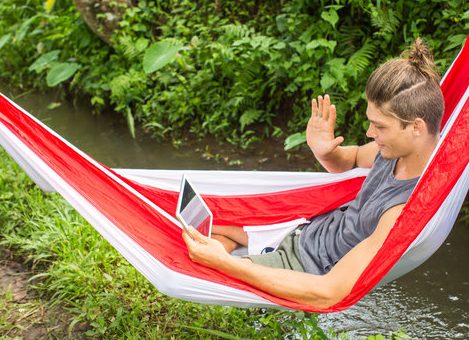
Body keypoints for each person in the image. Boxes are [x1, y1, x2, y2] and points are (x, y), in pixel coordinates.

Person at [182, 38, 444, 309]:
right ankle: (228, 243)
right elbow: (352, 158)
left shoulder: (402, 211)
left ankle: (231, 250)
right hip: (303, 229)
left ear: (416, 127)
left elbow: (330, 291)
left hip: (302, 267)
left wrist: (226, 264)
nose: (369, 133)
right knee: (197, 219)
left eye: (379, 126)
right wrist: (325, 152)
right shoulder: (394, 150)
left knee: (196, 261)